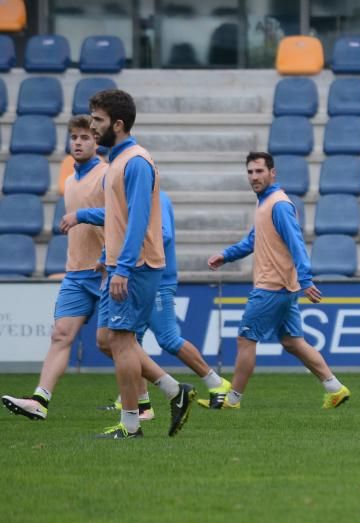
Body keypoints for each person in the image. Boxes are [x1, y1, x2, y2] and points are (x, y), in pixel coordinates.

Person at [88, 89, 196, 439]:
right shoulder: (116, 162)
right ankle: (173, 390)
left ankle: (131, 425)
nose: (91, 127)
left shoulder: (135, 161)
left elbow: (137, 220)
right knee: (106, 339)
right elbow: (117, 218)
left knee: (120, 341)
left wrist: (122, 267)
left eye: (98, 120)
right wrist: (107, 258)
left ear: (117, 124)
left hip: (136, 267)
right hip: (119, 264)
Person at [66, 190, 233, 417]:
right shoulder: (134, 198)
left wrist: (124, 250)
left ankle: (216, 383)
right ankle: (138, 402)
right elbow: (116, 218)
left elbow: (162, 235)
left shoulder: (157, 198)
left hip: (156, 280)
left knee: (167, 338)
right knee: (129, 340)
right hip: (139, 279)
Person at [206, 152, 350, 410]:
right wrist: (226, 255)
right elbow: (253, 240)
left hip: (271, 286)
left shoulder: (279, 205)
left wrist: (306, 279)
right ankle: (335, 388)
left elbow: (297, 244)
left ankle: (233, 400)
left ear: (273, 173)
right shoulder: (265, 203)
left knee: (245, 340)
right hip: (284, 287)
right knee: (292, 341)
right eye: (250, 172)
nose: (254, 177)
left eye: (259, 171)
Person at [2, 116, 106, 421]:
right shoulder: (70, 181)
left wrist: (110, 253)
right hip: (77, 272)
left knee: (116, 343)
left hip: (106, 271)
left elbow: (121, 214)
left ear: (97, 141)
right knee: (60, 335)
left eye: (85, 137)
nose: (77, 142)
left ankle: (158, 396)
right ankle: (40, 400)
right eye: (74, 137)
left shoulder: (108, 174)